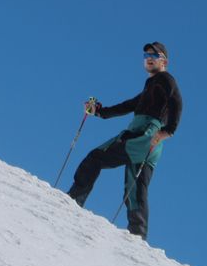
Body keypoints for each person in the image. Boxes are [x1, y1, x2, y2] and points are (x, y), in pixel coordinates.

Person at [67, 42, 183, 240]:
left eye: (154, 54)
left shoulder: (165, 79)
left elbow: (177, 101)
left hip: (145, 135)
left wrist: (167, 132)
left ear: (164, 61)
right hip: (146, 139)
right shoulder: (152, 85)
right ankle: (138, 237)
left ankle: (72, 201)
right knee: (135, 188)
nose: (149, 57)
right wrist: (100, 111)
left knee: (95, 158)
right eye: (146, 54)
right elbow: (129, 105)